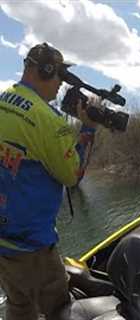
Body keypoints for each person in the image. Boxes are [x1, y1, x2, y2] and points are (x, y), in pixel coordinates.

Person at [0, 43, 97, 319]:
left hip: (3, 240)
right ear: (45, 71)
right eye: (60, 77)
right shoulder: (48, 120)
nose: (60, 86)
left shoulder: (3, 100)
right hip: (32, 243)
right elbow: (72, 175)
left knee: (18, 303)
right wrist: (88, 128)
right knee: (58, 309)